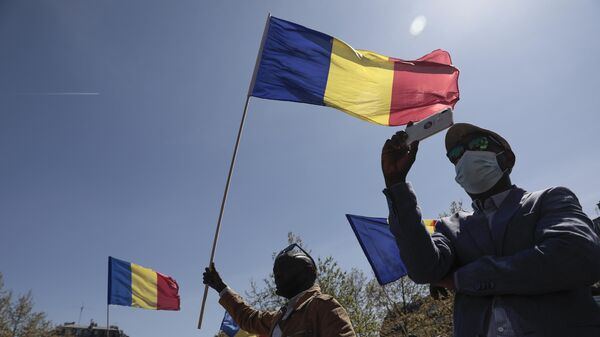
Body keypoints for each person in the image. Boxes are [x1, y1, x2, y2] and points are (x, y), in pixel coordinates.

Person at [381, 123, 600, 337]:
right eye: (456, 154)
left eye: (479, 143)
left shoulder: (549, 200)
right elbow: (424, 270)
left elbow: (578, 256)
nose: (465, 155)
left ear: (507, 158)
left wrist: (462, 279)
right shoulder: (449, 227)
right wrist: (396, 183)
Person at [203, 244, 356, 337]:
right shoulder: (279, 317)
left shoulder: (323, 307)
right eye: (275, 273)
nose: (276, 278)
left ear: (304, 273)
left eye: (282, 271)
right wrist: (220, 287)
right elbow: (249, 318)